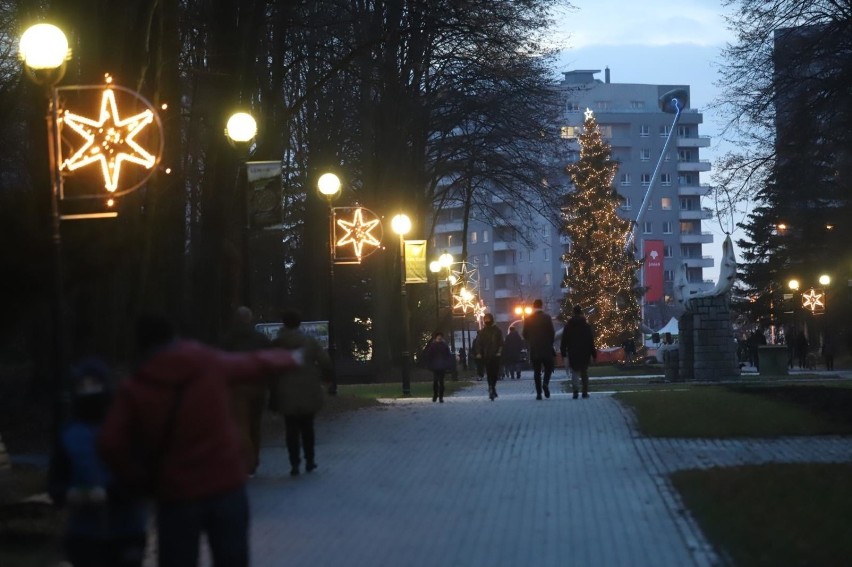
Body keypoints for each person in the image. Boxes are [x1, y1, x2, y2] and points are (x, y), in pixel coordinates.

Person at [98, 314, 302, 567]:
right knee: (232, 558)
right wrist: (291, 358)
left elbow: (110, 443)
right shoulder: (207, 364)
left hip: (175, 493)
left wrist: (137, 479)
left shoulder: (135, 387)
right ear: (174, 337)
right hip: (225, 485)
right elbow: (253, 363)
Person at [50, 358, 147, 567]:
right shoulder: (68, 435)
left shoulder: (127, 428)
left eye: (94, 385)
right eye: (82, 386)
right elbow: (55, 482)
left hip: (127, 530)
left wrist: (110, 494)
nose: (88, 392)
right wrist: (69, 494)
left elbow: (142, 477)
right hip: (84, 535)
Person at [271, 309, 332, 476]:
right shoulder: (309, 342)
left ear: (283, 323)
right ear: (299, 323)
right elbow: (325, 360)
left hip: (285, 390)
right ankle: (310, 460)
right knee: (308, 427)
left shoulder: (277, 343)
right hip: (308, 389)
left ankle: (294, 463)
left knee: (290, 429)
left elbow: (271, 367)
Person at [221, 306, 271, 476]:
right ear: (250, 319)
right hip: (256, 387)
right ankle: (253, 460)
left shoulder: (227, 340)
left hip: (236, 388)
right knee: (255, 425)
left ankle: (242, 460)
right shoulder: (260, 339)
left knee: (239, 425)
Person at [560, 305, 597, 399]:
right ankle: (585, 392)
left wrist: (563, 351)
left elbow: (564, 340)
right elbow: (590, 340)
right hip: (585, 352)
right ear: (581, 313)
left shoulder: (568, 326)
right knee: (584, 372)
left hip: (573, 351)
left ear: (573, 312)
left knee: (575, 372)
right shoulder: (586, 326)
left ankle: (575, 391)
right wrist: (593, 353)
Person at [522, 299, 555, 400]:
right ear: (542, 306)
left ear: (533, 307)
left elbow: (524, 334)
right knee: (548, 368)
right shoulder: (547, 318)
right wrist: (550, 342)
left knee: (536, 371)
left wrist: (531, 340)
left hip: (535, 349)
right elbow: (552, 332)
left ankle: (539, 393)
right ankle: (545, 383)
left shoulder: (528, 319)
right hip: (546, 348)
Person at [474, 313, 503, 400]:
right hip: (486, 355)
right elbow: (478, 344)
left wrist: (499, 352)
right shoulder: (482, 332)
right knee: (489, 372)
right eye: (485, 319)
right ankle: (491, 387)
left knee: (495, 373)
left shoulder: (497, 331)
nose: (487, 321)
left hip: (495, 355)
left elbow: (501, 343)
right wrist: (479, 353)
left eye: (488, 319)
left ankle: (492, 387)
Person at [422, 331, 454, 402]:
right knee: (435, 381)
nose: (439, 337)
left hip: (442, 366)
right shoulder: (433, 346)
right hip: (435, 366)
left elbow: (448, 355)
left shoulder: (444, 345)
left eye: (440, 336)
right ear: (436, 337)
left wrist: (447, 364)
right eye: (438, 336)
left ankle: (440, 397)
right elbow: (429, 355)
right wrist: (429, 363)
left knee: (441, 382)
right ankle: (435, 395)